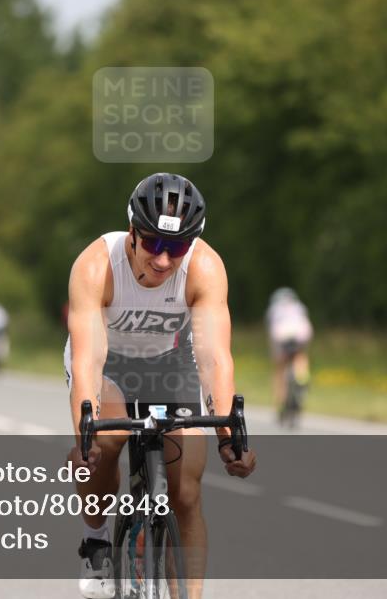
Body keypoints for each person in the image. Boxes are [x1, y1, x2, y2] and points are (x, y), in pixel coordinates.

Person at [64, 172, 257, 599]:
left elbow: (213, 357)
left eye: (177, 247)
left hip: (172, 362)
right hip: (109, 362)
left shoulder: (204, 267)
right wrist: (87, 432)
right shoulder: (97, 266)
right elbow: (88, 360)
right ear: (132, 231)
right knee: (106, 443)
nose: (164, 260)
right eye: (153, 243)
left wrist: (229, 436)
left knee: (186, 490)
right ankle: (95, 539)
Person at [266, 287, 313, 423]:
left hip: (281, 333)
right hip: (301, 332)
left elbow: (271, 334)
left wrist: (276, 355)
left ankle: (280, 404)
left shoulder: (274, 309)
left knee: (279, 370)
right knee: (300, 356)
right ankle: (302, 378)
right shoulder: (299, 306)